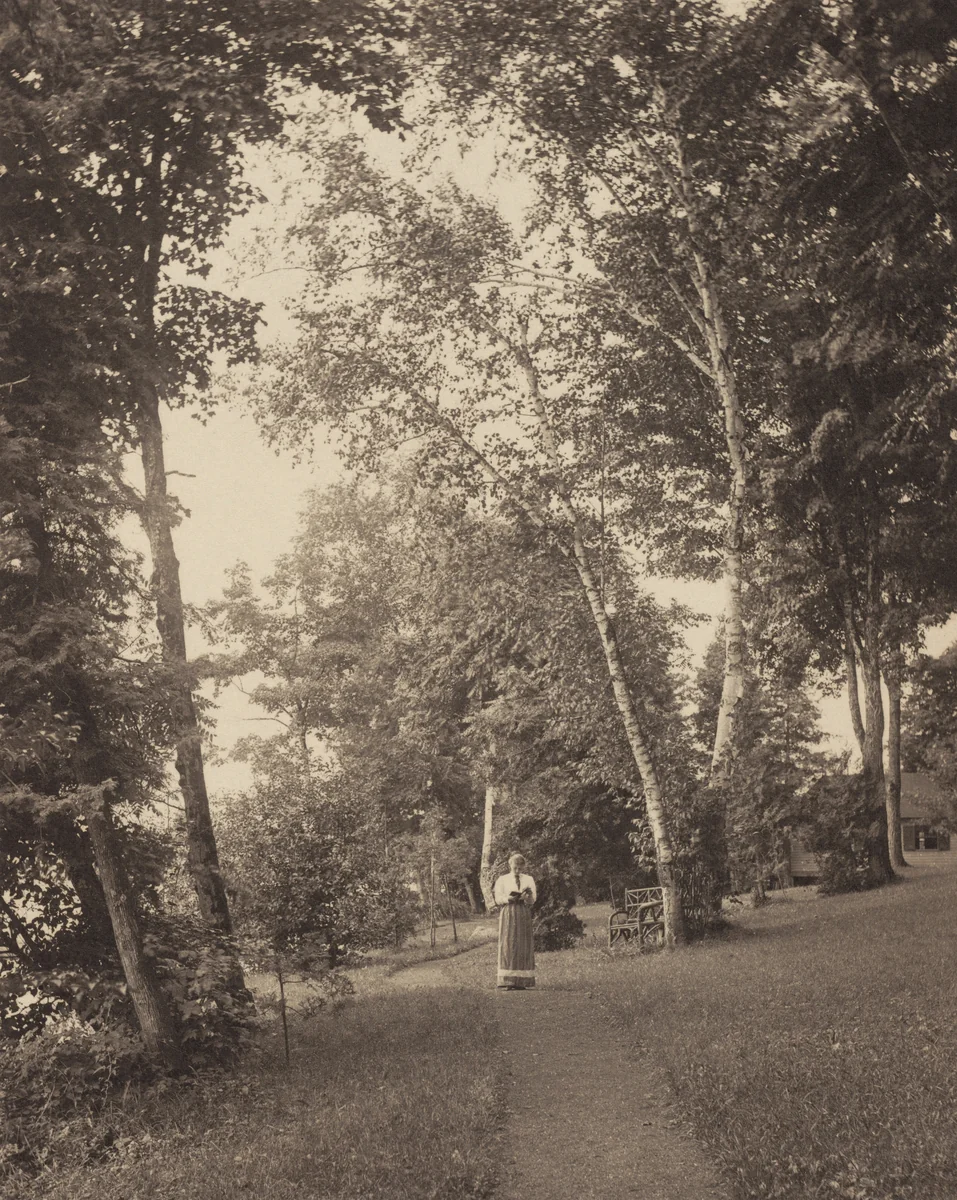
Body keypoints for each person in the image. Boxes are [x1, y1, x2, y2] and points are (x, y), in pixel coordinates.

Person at [493, 852, 536, 990]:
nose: (517, 870)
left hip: (522, 911)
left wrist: (528, 896)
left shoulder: (528, 879)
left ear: (523, 867)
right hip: (509, 911)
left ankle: (522, 981)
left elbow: (533, 899)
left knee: (523, 942)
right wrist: (508, 899)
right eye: (515, 867)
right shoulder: (502, 879)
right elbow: (498, 898)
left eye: (520, 868)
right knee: (508, 942)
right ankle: (508, 980)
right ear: (510, 865)